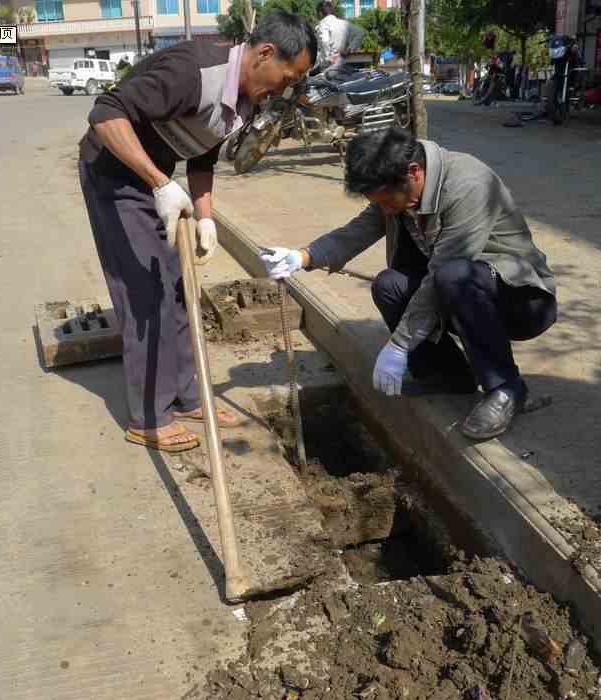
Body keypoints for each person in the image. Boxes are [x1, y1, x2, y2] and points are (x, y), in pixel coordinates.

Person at [79, 10, 317, 453]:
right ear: (265, 53)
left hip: (156, 177)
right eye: (289, 75)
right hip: (114, 172)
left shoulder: (248, 97)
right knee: (144, 294)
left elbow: (203, 156)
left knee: (178, 289)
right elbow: (106, 113)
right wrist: (161, 184)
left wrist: (206, 216)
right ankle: (149, 417)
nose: (287, 86)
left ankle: (189, 397)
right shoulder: (193, 72)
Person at [261, 128, 557, 441]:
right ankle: (448, 375)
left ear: (413, 173)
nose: (385, 209)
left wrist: (400, 343)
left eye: (387, 200)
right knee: (389, 285)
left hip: (520, 300)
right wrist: (303, 256)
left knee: (451, 275)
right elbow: (358, 230)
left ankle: (506, 388)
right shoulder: (397, 186)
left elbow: (444, 270)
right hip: (459, 291)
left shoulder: (469, 185)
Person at [315, 0, 364, 72]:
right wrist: (349, 49)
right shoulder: (344, 23)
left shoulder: (322, 25)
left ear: (320, 13)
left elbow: (324, 41)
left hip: (326, 67)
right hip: (341, 63)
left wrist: (329, 57)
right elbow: (360, 32)